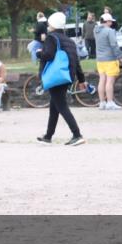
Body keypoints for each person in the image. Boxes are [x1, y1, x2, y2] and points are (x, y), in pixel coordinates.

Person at [36, 12, 86, 146]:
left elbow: (49, 55)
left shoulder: (51, 38)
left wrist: (39, 53)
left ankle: (77, 134)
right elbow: (76, 62)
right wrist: (81, 80)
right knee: (54, 106)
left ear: (52, 25)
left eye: (49, 24)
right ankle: (48, 136)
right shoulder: (69, 41)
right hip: (67, 76)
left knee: (61, 106)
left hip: (56, 76)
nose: (47, 26)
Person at [94, 13, 121, 110]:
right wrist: (120, 56)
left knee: (102, 80)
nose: (112, 23)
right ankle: (110, 102)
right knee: (109, 81)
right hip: (110, 59)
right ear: (107, 21)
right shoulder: (109, 31)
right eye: (110, 21)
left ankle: (102, 102)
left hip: (100, 59)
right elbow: (114, 45)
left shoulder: (96, 30)